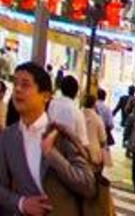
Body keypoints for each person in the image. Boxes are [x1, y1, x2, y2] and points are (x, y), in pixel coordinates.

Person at [0, 62, 97, 216]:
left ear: (45, 96)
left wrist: (52, 154)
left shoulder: (61, 136)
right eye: (15, 83)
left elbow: (88, 185)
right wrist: (21, 203)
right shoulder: (8, 137)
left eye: (25, 85)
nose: (17, 89)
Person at [47, 75, 89, 151]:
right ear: (76, 93)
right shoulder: (77, 112)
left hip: (50, 149)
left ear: (61, 88)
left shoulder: (52, 104)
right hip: (68, 155)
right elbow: (83, 142)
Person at [81, 94, 110, 171]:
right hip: (93, 154)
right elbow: (103, 139)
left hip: (78, 150)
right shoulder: (97, 118)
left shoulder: (78, 114)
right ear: (94, 104)